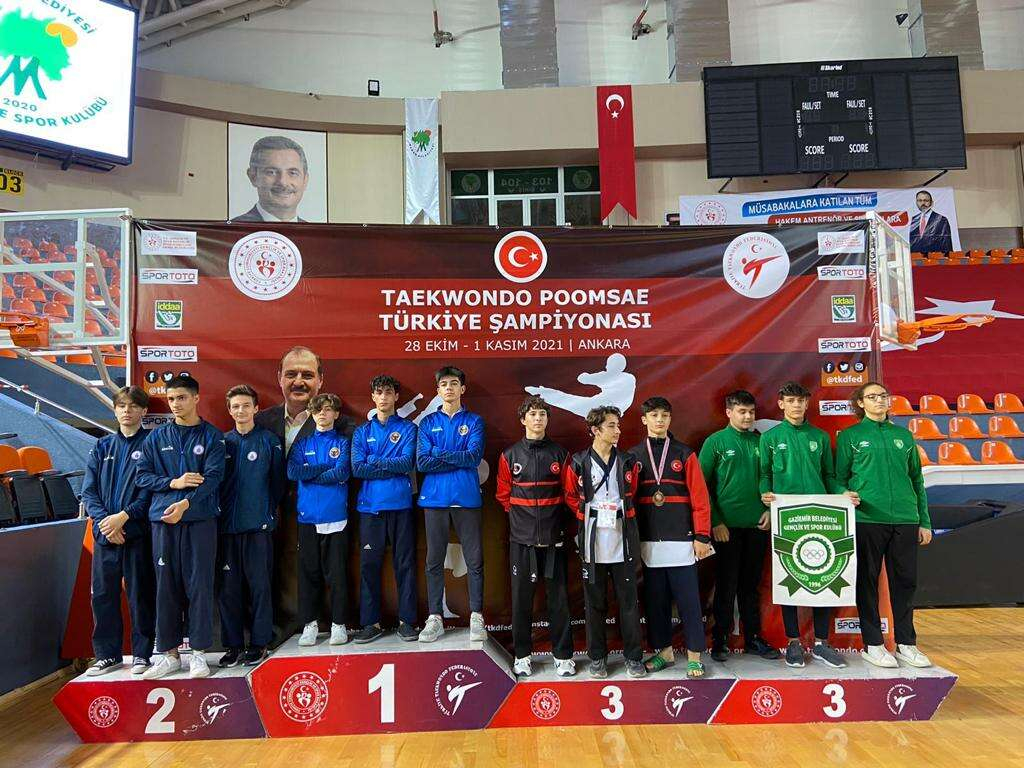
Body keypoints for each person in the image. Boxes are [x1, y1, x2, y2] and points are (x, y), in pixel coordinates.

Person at [834, 381, 933, 668]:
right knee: (866, 581)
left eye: (883, 396)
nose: (879, 400)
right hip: (867, 518)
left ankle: (906, 643)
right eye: (872, 397)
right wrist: (843, 493)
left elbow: (917, 480)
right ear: (861, 403)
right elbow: (838, 478)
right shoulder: (850, 436)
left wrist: (924, 521)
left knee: (905, 582)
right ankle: (873, 644)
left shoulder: (903, 436)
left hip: (906, 518)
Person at [137, 376, 226, 680]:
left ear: (196, 398)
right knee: (166, 586)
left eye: (182, 398)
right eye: (172, 399)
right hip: (163, 522)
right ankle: (169, 654)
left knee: (199, 584)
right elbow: (142, 476)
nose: (176, 404)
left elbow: (213, 478)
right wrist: (173, 483)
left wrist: (186, 503)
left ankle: (199, 653)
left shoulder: (212, 437)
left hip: (199, 521)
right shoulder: (156, 438)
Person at [255, 346, 344, 643]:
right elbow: (288, 471)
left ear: (320, 380)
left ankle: (330, 624)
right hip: (269, 518)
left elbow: (343, 472)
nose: (299, 381)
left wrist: (308, 472)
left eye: (307, 374)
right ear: (279, 378)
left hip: (322, 513)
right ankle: (272, 634)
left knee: (327, 572)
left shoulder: (342, 425)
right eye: (291, 374)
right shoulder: (260, 421)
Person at [759, 381, 846, 669]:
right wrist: (765, 495)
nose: (796, 405)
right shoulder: (770, 438)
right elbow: (764, 475)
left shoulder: (819, 437)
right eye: (791, 400)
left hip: (820, 516)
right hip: (787, 517)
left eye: (800, 400)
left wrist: (842, 493)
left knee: (823, 574)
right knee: (790, 577)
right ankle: (793, 642)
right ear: (781, 404)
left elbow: (829, 475)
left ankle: (821, 642)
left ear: (807, 404)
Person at [628, 397, 712, 678]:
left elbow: (700, 498)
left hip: (682, 540)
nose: (659, 420)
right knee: (656, 602)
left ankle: (694, 656)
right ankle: (664, 652)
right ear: (644, 419)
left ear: (670, 419)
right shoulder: (633, 456)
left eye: (664, 415)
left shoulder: (684, 453)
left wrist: (702, 536)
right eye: (654, 415)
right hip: (649, 541)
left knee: (689, 602)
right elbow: (629, 500)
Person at [564, 405, 646, 679]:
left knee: (629, 603)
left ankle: (633, 657)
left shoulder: (628, 460)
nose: (617, 430)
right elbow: (570, 494)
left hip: (622, 539)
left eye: (618, 425)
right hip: (592, 540)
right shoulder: (578, 462)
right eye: (611, 426)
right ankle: (597, 657)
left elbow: (632, 491)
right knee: (594, 603)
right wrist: (588, 512)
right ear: (595, 430)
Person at [699, 390, 781, 662]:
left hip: (758, 526)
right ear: (729, 412)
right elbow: (701, 486)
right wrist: (715, 522)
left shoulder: (762, 441)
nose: (747, 417)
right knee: (726, 585)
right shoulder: (715, 442)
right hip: (726, 529)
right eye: (742, 411)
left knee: (751, 586)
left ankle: (753, 638)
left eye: (751, 412)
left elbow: (770, 479)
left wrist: (770, 510)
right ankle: (720, 639)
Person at [496, 395, 574, 677]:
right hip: (522, 541)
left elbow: (569, 494)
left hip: (554, 539)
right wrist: (524, 523)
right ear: (523, 420)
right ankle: (522, 655)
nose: (538, 418)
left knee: (558, 600)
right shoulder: (509, 456)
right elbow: (503, 496)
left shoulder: (560, 455)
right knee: (521, 600)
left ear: (547, 420)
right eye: (532, 414)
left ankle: (563, 656)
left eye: (542, 414)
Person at [81, 386, 156, 676]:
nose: (127, 411)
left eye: (133, 406)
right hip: (105, 536)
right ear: (115, 410)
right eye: (122, 406)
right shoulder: (102, 447)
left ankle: (142, 654)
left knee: (140, 596)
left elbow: (150, 491)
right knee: (103, 596)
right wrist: (106, 522)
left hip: (135, 534)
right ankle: (108, 655)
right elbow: (89, 492)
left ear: (144, 411)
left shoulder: (151, 444)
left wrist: (124, 517)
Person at [416, 366, 486, 643]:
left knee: (474, 559)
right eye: (444, 384)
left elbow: (473, 458)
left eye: (454, 383)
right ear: (438, 390)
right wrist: (453, 456)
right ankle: (435, 617)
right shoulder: (427, 423)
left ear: (462, 389)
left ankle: (477, 616)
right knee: (434, 560)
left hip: (466, 497)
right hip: (434, 499)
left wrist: (438, 452)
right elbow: (423, 462)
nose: (449, 388)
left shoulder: (475, 421)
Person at [218, 384, 286, 667]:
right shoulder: (222, 443)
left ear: (256, 409)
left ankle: (259, 643)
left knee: (259, 587)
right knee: (228, 590)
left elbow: (278, 484)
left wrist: (265, 512)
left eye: (246, 405)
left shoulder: (269, 442)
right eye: (235, 406)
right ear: (229, 410)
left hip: (258, 528)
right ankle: (233, 645)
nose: (241, 411)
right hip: (227, 530)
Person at [350, 375, 418, 643]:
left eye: (389, 392)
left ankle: (407, 622)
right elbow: (358, 468)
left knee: (405, 564)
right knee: (369, 566)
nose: (384, 397)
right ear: (373, 397)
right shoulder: (361, 432)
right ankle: (371, 623)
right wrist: (388, 463)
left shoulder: (409, 428)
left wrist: (374, 459)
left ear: (396, 397)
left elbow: (406, 463)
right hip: (370, 508)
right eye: (379, 392)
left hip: (401, 504)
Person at [288, 393, 352, 646]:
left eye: (327, 409)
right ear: (311, 415)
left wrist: (311, 473)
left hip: (336, 517)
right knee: (309, 574)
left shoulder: (343, 443)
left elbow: (342, 472)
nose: (322, 414)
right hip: (307, 518)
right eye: (317, 411)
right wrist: (325, 468)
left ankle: (339, 624)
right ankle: (310, 624)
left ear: (336, 413)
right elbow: (293, 472)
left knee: (337, 575)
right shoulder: (302, 444)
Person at [233, 135, 310, 222]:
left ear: (305, 180)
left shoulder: (315, 230)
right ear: (253, 177)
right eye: (271, 172)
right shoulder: (231, 229)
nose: (283, 182)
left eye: (292, 173)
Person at [908, 190, 953, 255]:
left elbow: (947, 244)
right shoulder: (914, 220)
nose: (923, 203)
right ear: (916, 202)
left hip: (935, 258)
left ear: (932, 203)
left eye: (926, 200)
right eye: (920, 200)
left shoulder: (942, 219)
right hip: (917, 258)